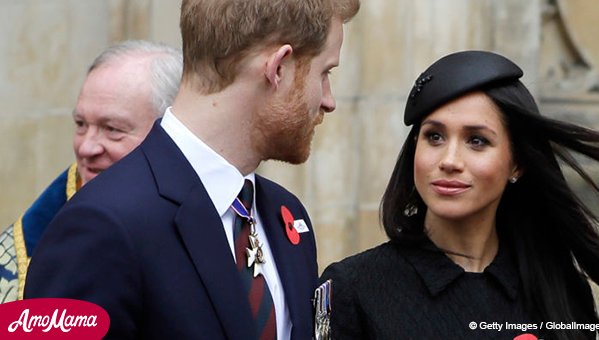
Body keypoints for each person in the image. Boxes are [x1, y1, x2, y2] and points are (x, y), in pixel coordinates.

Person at [25, 0, 360, 339]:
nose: (328, 99)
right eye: (324, 73)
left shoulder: (285, 215)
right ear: (279, 68)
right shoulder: (99, 226)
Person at [319, 50, 599, 340]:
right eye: (434, 137)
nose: (449, 161)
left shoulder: (561, 290)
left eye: (477, 141)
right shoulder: (354, 289)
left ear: (516, 164)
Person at [0, 40, 182, 303]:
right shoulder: (49, 242)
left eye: (112, 129)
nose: (86, 147)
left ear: (171, 131)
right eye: (81, 124)